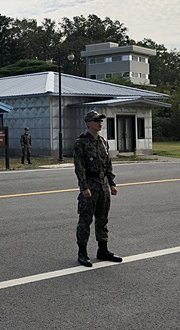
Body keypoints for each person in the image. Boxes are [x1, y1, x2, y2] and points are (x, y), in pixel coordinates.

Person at [73, 110, 123, 267]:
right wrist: (84, 187)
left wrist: (112, 183)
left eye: (101, 120)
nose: (100, 123)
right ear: (88, 123)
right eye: (96, 120)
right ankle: (82, 252)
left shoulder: (103, 142)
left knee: (102, 219)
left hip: (102, 186)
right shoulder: (80, 143)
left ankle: (103, 250)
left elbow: (107, 164)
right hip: (90, 185)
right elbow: (79, 167)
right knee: (85, 220)